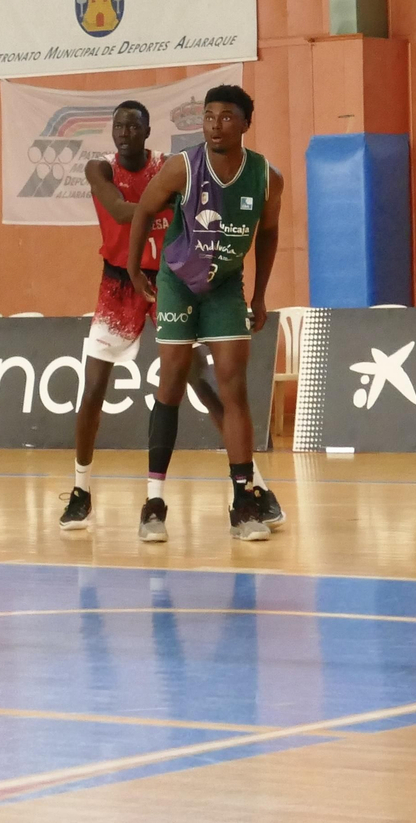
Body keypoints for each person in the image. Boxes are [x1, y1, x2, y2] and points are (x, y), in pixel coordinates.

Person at [57, 103, 272, 536]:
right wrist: (169, 201)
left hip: (171, 279)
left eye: (133, 126)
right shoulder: (100, 169)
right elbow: (121, 212)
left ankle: (253, 486)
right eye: (118, 126)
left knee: (196, 379)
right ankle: (81, 490)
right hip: (120, 282)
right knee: (94, 385)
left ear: (147, 131)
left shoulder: (167, 166)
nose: (124, 133)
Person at [125, 85, 284, 542]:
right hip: (178, 283)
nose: (215, 125)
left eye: (227, 117)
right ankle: (154, 500)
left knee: (234, 387)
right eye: (209, 116)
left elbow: (269, 235)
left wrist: (261, 294)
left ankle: (243, 500)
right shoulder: (183, 166)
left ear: (246, 124)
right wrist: (136, 272)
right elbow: (142, 213)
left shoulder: (267, 176)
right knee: (171, 379)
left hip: (225, 286)